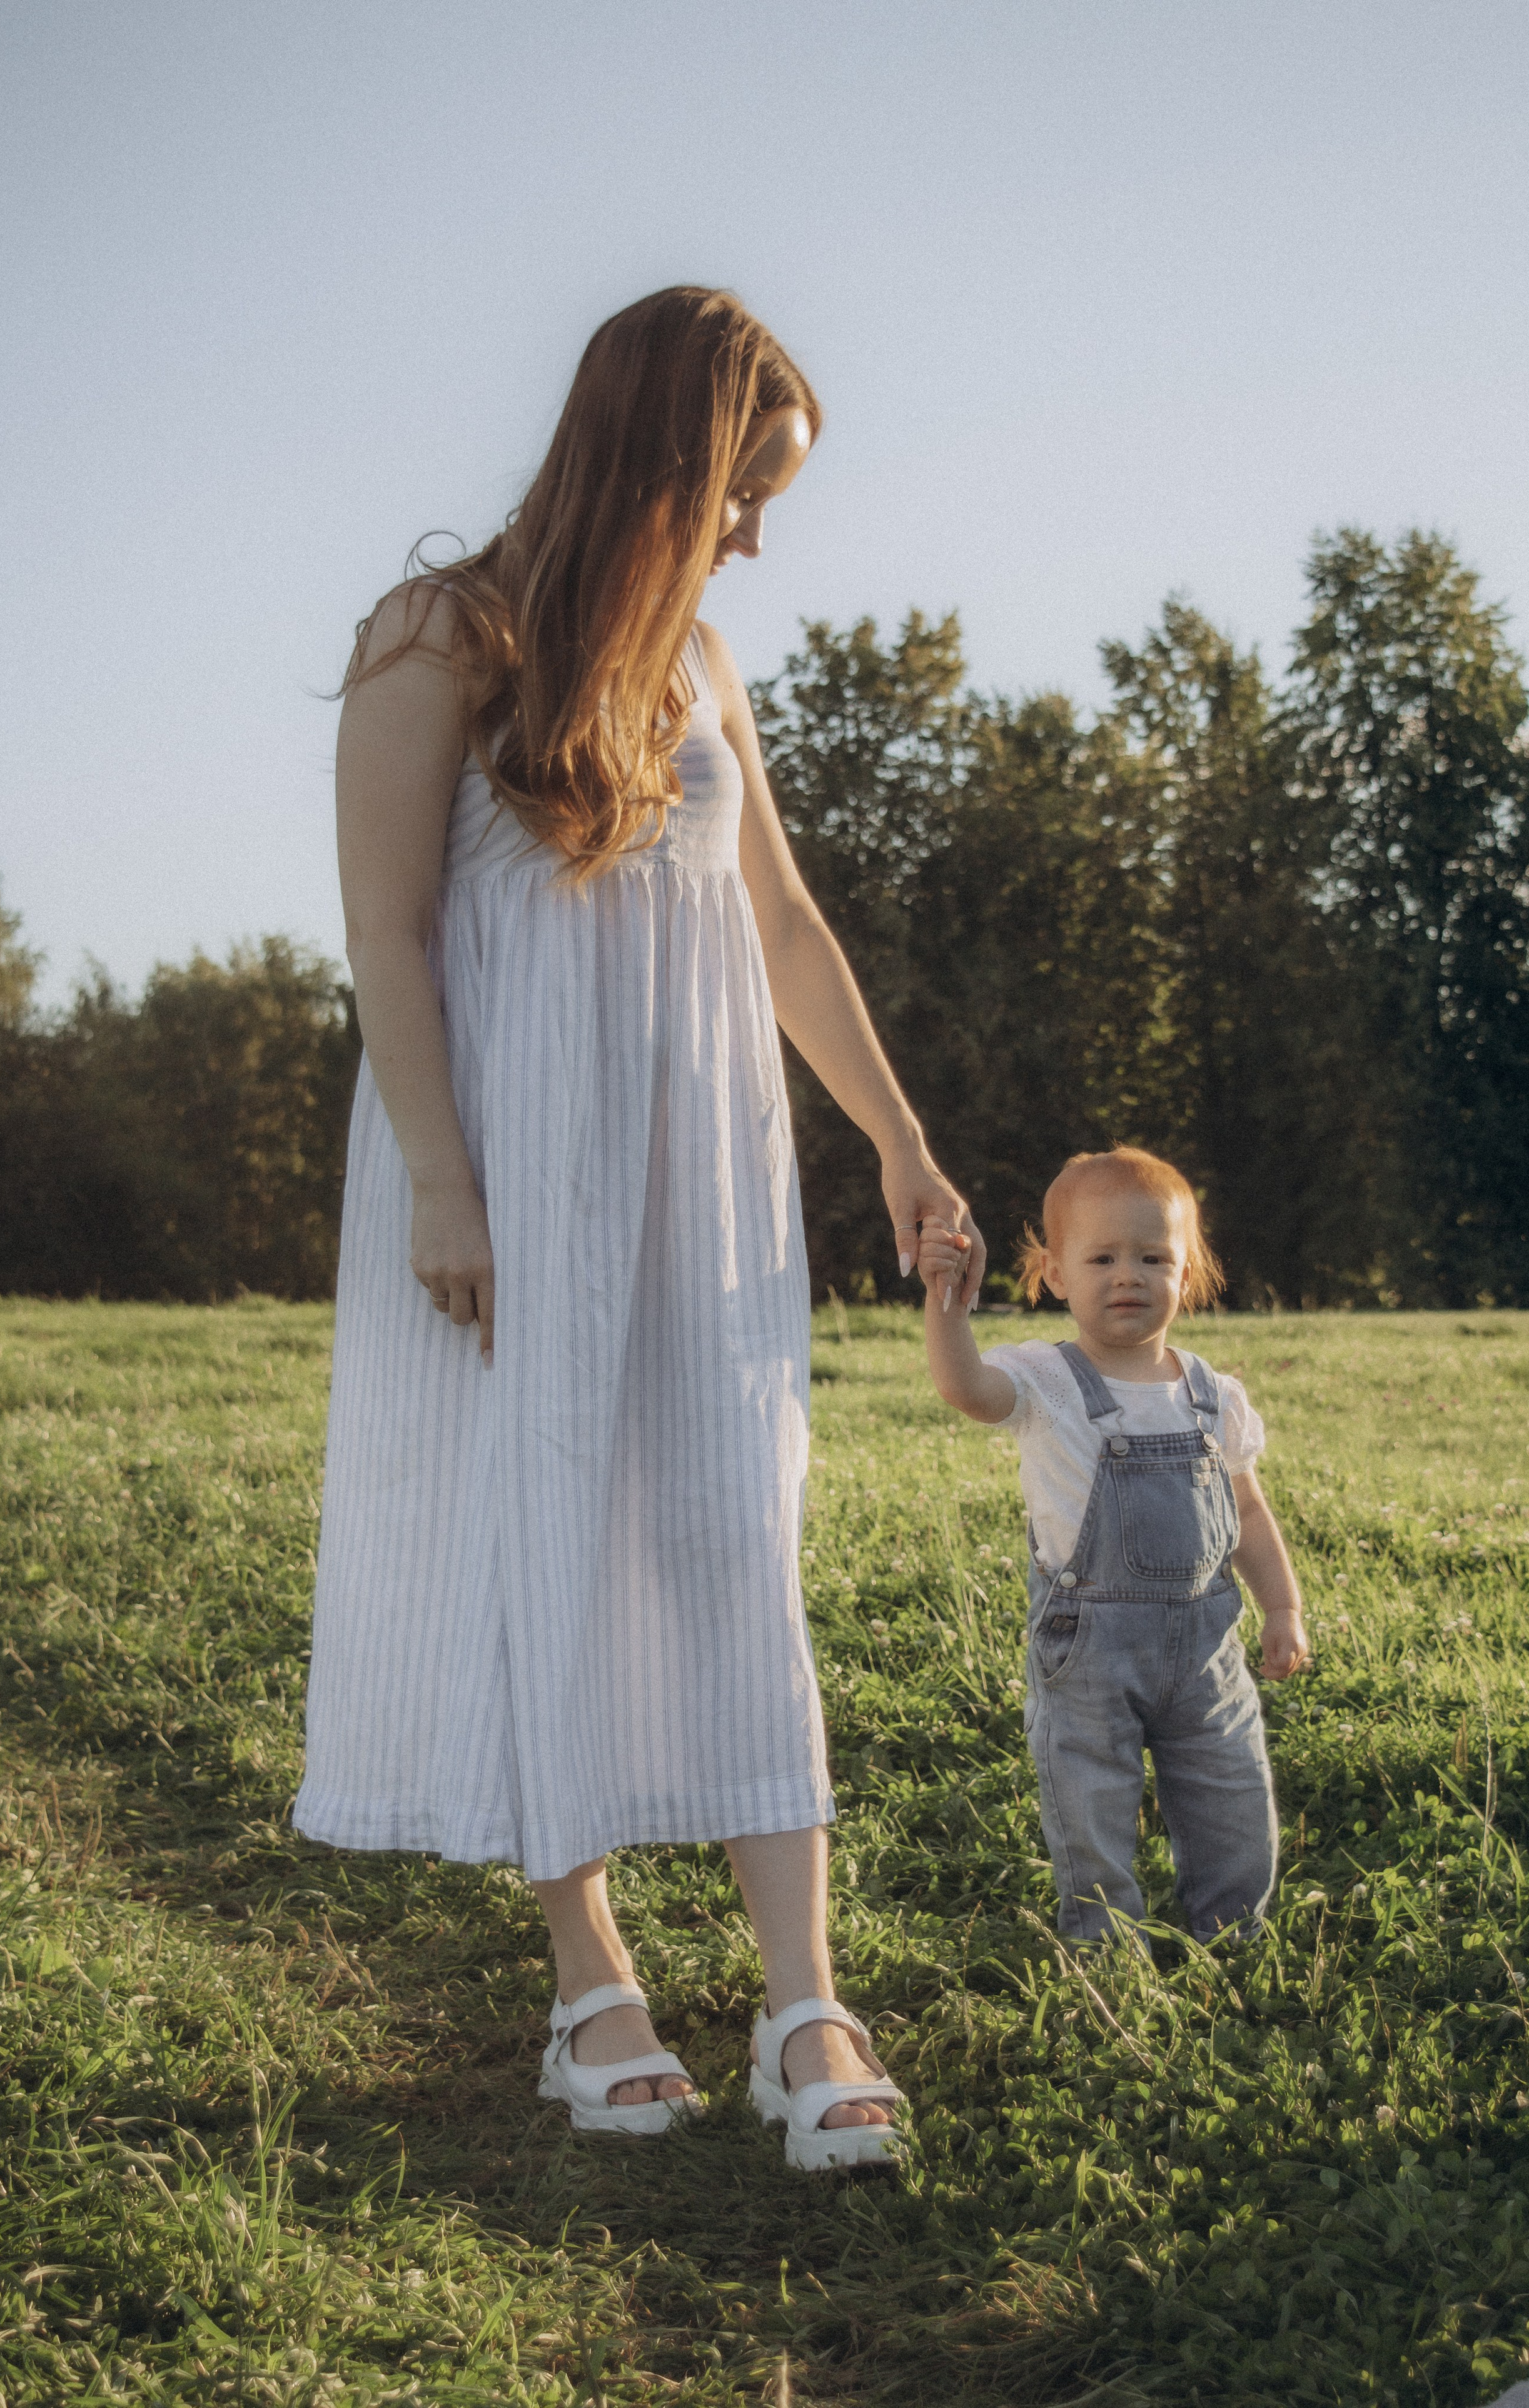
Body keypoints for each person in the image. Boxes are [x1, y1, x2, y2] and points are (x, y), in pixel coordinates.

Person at [292, 287, 986, 2169]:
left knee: (725, 1526)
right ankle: (589, 1970)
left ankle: (800, 1996)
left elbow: (780, 927)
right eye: (742, 490)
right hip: (513, 1160)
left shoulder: (705, 665)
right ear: (659, 459)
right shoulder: (437, 634)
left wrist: (902, 1147)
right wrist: (445, 1175)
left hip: (703, 1165)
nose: (756, 533)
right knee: (543, 1526)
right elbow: (391, 932)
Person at [915, 1146, 1308, 1947]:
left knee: (1234, 1797)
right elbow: (966, 1388)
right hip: (1088, 1653)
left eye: (1152, 1257)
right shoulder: (1045, 1379)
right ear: (1055, 1274)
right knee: (1090, 1803)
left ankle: (1230, 1939)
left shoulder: (1212, 1393)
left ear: (1187, 1270)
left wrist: (1283, 1604)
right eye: (1101, 1257)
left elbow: (1247, 1509)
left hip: (1206, 1650)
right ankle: (1105, 1948)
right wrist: (946, 1304)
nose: (1127, 1273)